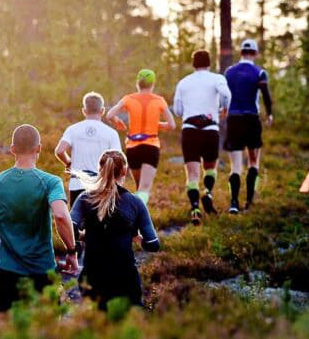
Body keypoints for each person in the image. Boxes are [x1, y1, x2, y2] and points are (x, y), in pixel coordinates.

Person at [0, 124, 79, 312]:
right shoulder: (51, 182)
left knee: (10, 334)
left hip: (7, 274)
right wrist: (71, 251)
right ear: (39, 148)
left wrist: (2, 220)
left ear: (12, 149)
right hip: (42, 271)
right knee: (48, 332)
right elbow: (61, 215)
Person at [70, 150, 160, 309]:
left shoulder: (85, 198)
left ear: (100, 169)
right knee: (126, 329)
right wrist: (135, 237)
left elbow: (70, 227)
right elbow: (153, 244)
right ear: (124, 171)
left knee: (97, 327)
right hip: (125, 279)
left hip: (92, 277)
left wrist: (85, 236)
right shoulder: (135, 202)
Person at [172, 49, 232, 224]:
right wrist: (224, 108)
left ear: (193, 64)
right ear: (209, 63)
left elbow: (177, 110)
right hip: (210, 128)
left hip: (190, 128)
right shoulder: (217, 78)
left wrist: (188, 110)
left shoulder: (183, 83)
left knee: (192, 173)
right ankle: (208, 192)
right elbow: (226, 95)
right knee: (210, 167)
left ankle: (195, 208)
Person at [106, 69, 176, 205]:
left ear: (138, 83)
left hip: (133, 147)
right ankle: (137, 219)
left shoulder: (129, 98)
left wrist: (117, 121)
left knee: (139, 188)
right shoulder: (159, 100)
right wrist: (157, 124)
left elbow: (109, 115)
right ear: (152, 84)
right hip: (151, 146)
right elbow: (172, 125)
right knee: (144, 189)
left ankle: (136, 219)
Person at [224, 39, 274, 214]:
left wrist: (223, 110)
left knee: (235, 166)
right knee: (253, 161)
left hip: (234, 119)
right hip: (252, 119)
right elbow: (266, 95)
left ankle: (234, 203)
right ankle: (249, 201)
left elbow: (224, 96)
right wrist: (269, 114)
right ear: (255, 53)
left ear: (241, 53)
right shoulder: (260, 73)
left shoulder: (229, 72)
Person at [55, 92, 122, 207]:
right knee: (99, 224)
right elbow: (118, 161)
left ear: (84, 111)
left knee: (77, 223)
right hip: (102, 186)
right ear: (102, 111)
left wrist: (68, 162)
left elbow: (60, 151)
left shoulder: (73, 129)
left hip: (77, 185)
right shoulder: (111, 133)